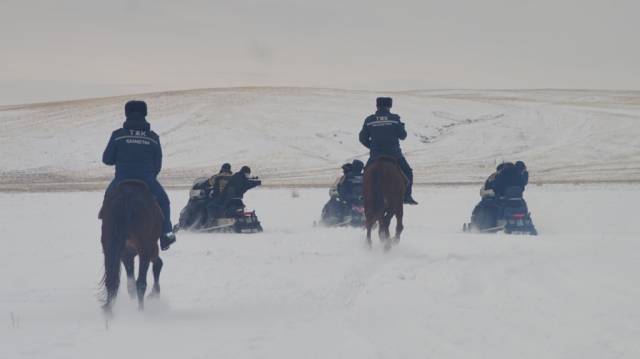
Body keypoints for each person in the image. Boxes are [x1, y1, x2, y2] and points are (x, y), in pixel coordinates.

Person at [102, 100, 176, 250]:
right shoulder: (153, 137)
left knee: (108, 201)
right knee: (164, 202)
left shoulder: (117, 135)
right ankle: (166, 234)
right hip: (147, 180)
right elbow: (157, 165)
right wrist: (148, 175)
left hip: (121, 179)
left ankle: (108, 232)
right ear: (145, 113)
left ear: (126, 113)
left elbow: (107, 159)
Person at [358, 97, 418, 205]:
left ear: (377, 106)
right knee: (408, 172)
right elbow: (403, 136)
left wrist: (372, 147)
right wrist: (402, 127)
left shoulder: (369, 120)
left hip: (376, 156)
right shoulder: (394, 119)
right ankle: (407, 196)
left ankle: (364, 194)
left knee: (366, 173)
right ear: (390, 106)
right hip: (394, 155)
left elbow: (362, 138)